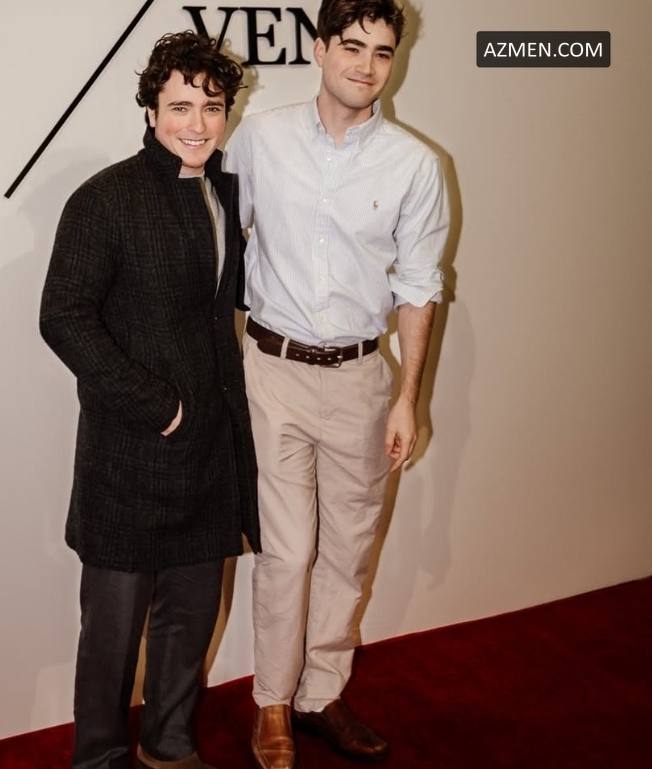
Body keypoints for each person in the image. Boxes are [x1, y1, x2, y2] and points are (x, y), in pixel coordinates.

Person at [224, 1, 449, 767]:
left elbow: (419, 288)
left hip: (360, 379)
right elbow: (219, 242)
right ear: (320, 50)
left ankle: (321, 694)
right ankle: (272, 702)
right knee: (287, 553)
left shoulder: (416, 165)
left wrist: (407, 397)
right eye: (352, 47)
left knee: (348, 552)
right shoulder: (261, 139)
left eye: (382, 52)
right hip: (273, 372)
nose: (366, 65)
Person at [40, 32, 259, 769]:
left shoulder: (226, 193)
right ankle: (100, 757)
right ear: (150, 110)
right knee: (110, 634)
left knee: (189, 620)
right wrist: (156, 405)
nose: (197, 123)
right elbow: (63, 316)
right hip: (129, 455)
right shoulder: (104, 199)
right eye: (180, 106)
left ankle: (169, 744)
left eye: (212, 107)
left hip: (209, 453)